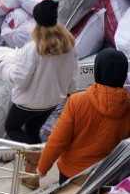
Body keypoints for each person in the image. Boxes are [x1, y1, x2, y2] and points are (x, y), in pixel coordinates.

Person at [4, 0, 77, 189]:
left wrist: (7, 67)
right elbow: (72, 74)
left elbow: (20, 78)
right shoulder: (68, 44)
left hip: (27, 102)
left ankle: (37, 157)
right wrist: (69, 93)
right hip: (52, 101)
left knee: (12, 128)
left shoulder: (34, 48)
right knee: (32, 130)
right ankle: (32, 175)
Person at [38, 48, 130, 184]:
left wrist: (42, 168)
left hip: (72, 174)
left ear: (97, 70)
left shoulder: (77, 101)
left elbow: (58, 140)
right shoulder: (127, 106)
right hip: (107, 176)